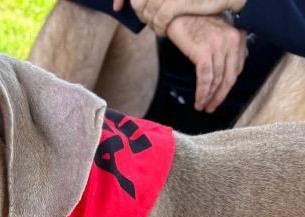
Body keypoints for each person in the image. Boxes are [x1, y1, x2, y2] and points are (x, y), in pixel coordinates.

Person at [29, 0, 305, 133]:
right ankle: (23, 189)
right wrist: (171, 16)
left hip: (259, 138)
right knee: (84, 10)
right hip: (148, 90)